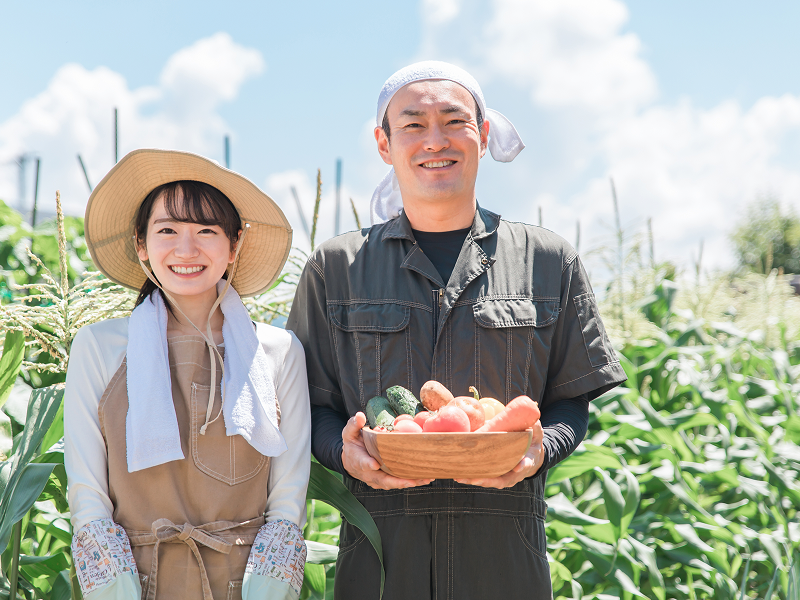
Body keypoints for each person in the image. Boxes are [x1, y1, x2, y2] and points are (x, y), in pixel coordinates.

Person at [286, 61, 627, 599]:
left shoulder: (546, 260)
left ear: (483, 134)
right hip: (378, 556)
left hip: (505, 555)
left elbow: (569, 400)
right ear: (384, 143)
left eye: (454, 120)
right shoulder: (335, 268)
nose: (435, 140)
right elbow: (312, 405)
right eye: (414, 124)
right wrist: (343, 453)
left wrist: (540, 451)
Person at [65, 149, 311, 600]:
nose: (186, 248)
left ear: (234, 244)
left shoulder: (277, 351)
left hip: (244, 585)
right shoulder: (98, 347)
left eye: (206, 231)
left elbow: (288, 501)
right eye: (167, 231)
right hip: (136, 583)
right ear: (141, 244)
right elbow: (88, 496)